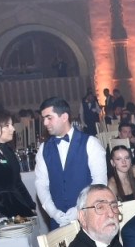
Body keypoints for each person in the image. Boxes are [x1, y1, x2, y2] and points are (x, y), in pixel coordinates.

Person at [34, 96, 108, 229]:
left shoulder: (91, 143)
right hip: (57, 222)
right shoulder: (43, 149)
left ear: (64, 117)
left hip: (89, 218)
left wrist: (78, 210)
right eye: (43, 118)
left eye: (49, 118)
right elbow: (41, 184)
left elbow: (100, 183)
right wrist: (53, 212)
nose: (44, 123)